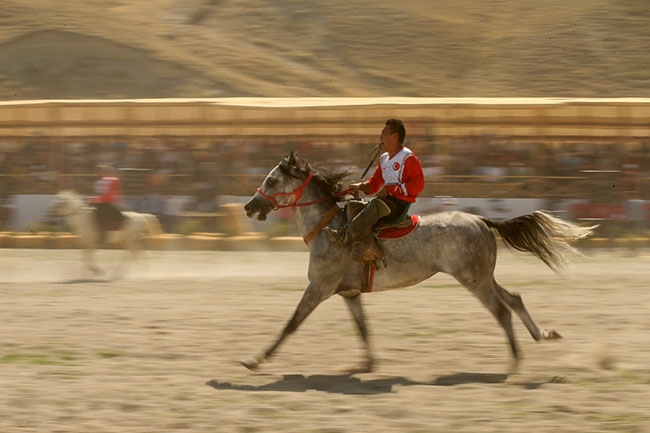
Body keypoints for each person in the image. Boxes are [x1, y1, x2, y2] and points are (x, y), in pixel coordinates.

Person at [325, 118, 425, 246]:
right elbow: (374, 185)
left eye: (383, 134)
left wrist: (391, 189)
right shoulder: (384, 159)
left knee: (376, 205)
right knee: (353, 205)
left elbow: (419, 185)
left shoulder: (408, 157)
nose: (380, 138)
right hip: (385, 201)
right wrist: (360, 186)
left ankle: (343, 236)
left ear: (394, 137)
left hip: (399, 205)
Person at [91, 164, 126, 243]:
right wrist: (92, 199)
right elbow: (97, 193)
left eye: (101, 171)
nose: (98, 173)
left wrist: (97, 199)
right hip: (101, 203)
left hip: (110, 203)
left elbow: (109, 196)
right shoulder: (98, 181)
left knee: (102, 216)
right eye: (98, 172)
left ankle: (103, 238)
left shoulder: (112, 180)